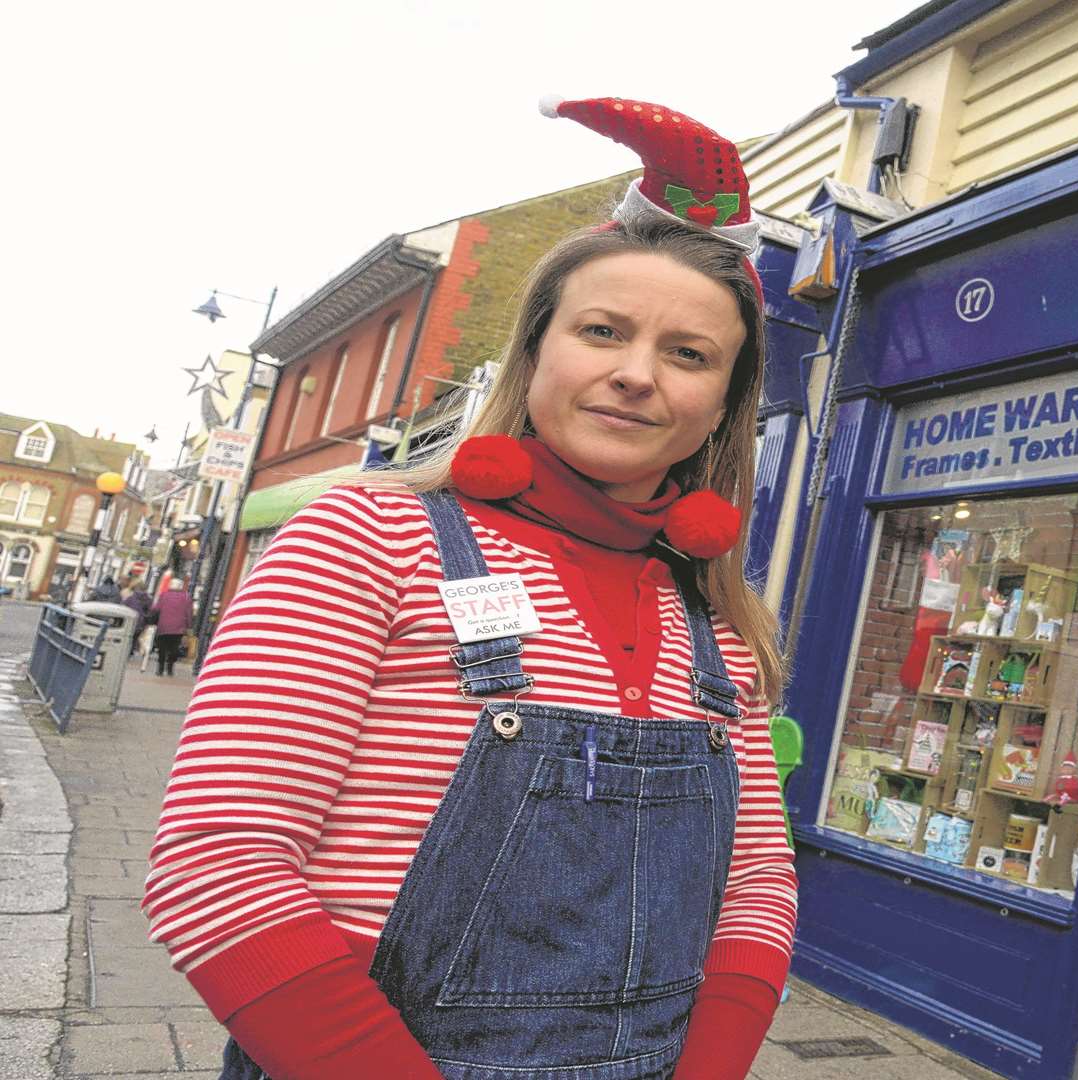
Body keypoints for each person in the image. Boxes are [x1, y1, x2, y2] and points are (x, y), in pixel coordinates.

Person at [143, 98, 795, 1080]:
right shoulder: (369, 535)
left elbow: (755, 890)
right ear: (536, 353)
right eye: (604, 330)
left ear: (720, 409)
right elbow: (217, 869)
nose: (635, 374)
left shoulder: (719, 629)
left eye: (689, 353)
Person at [149, 578, 191, 676]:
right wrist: (188, 627)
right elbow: (189, 614)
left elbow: (156, 609)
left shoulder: (164, 595)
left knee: (162, 648)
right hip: (179, 628)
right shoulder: (186, 597)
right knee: (174, 648)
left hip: (163, 626)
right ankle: (170, 668)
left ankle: (160, 668)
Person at [122, 577, 153, 655]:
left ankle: (126, 652)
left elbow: (122, 607)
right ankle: (130, 651)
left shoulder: (131, 597)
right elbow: (150, 612)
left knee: (128, 637)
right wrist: (145, 619)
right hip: (140, 622)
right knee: (135, 638)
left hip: (129, 621)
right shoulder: (148, 599)